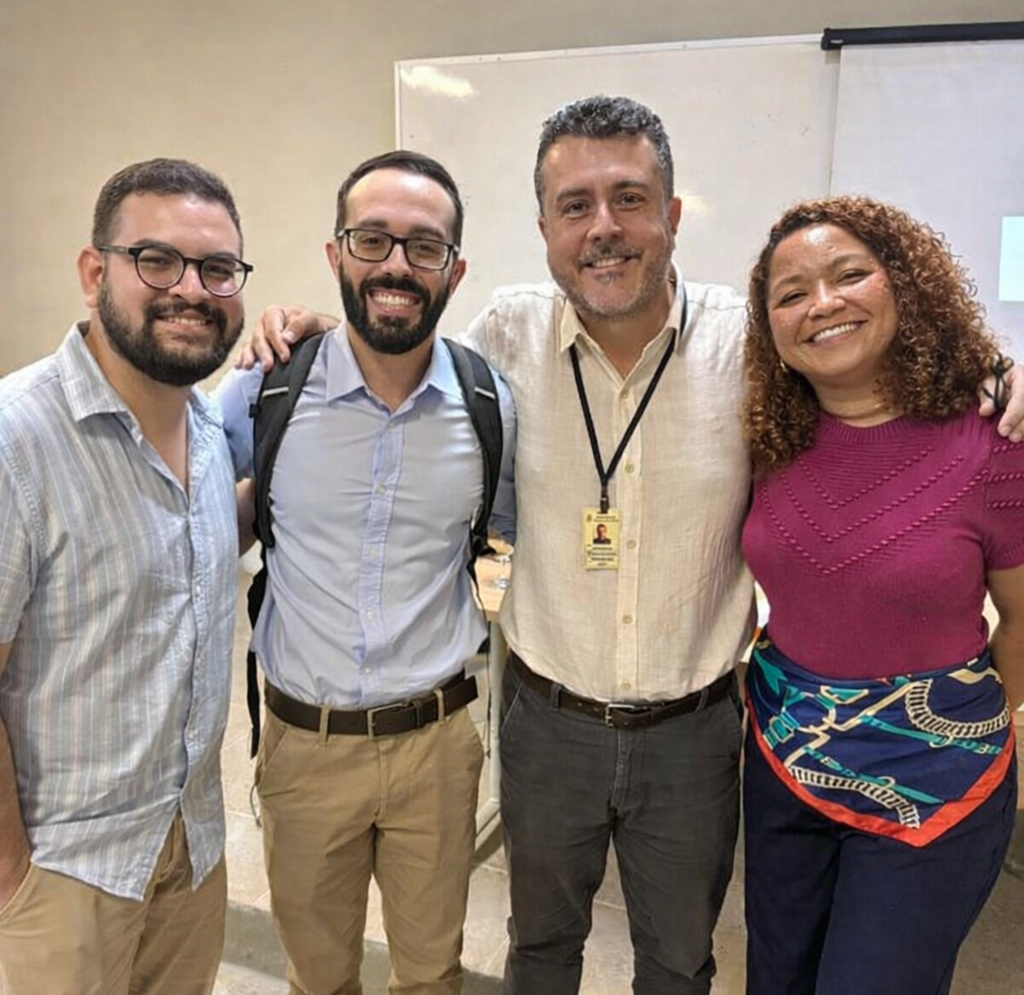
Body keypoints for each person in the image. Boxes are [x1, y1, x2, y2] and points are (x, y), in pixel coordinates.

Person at [242, 98, 1024, 995]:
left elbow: (868, 368)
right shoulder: (505, 333)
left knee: (679, 961)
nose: (603, 228)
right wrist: (307, 328)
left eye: (630, 199)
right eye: (574, 206)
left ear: (673, 215)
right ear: (545, 228)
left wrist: (997, 369)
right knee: (540, 948)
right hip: (545, 718)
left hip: (694, 730)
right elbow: (398, 353)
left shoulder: (753, 343)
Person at [213, 150, 516, 995]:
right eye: (372, 239)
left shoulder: (490, 405)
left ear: (455, 270)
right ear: (335, 253)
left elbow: (504, 537)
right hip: (305, 747)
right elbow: (190, 532)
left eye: (425, 247)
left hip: (437, 747)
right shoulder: (262, 393)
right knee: (318, 976)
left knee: (431, 975)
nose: (396, 266)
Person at [741, 195, 1024, 995]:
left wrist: (945, 724)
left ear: (903, 283)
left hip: (934, 781)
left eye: (849, 275)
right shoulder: (769, 439)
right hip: (783, 755)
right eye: (791, 293)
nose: (822, 303)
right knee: (777, 978)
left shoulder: (994, 441)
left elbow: (1023, 624)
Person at [0, 158, 249, 995]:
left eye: (217, 268)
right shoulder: (16, 440)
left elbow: (187, 562)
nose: (191, 289)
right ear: (93, 272)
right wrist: (12, 875)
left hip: (192, 851)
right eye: (157, 260)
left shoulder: (208, 430)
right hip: (66, 873)